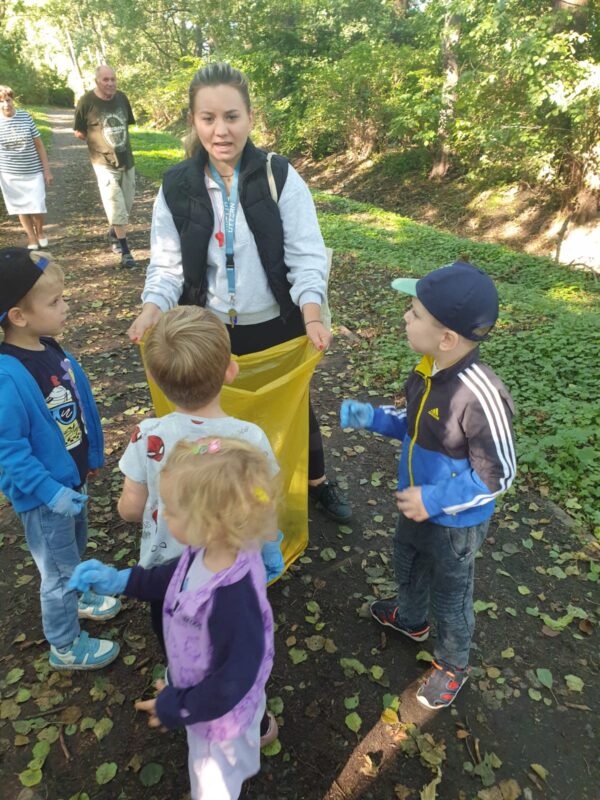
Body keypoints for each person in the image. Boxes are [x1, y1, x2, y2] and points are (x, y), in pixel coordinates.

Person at [127, 61, 351, 522]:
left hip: (276, 326)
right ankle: (228, 503)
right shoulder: (176, 187)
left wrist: (312, 314)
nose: (221, 130)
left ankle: (315, 483)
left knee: (293, 407)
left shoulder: (279, 176)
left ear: (250, 117)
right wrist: (152, 308)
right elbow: (167, 266)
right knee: (216, 419)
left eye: (231, 116)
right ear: (193, 121)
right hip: (210, 332)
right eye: (208, 118)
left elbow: (306, 256)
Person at [340, 261, 516, 709]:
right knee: (407, 558)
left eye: (414, 312)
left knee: (452, 593)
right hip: (417, 506)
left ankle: (453, 663)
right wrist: (375, 417)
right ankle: (411, 618)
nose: (405, 317)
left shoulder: (480, 395)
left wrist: (435, 499)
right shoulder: (428, 368)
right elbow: (416, 424)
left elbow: (498, 475)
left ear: (448, 337)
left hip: (454, 522)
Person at [69, 436, 277, 800]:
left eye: (172, 510)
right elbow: (174, 575)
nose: (163, 515)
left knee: (213, 785)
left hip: (219, 722)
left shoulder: (231, 598)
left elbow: (233, 680)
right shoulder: (212, 550)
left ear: (209, 523)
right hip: (201, 691)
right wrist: (120, 579)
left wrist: (179, 705)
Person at [117, 305, 284, 655]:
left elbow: (130, 509)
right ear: (231, 371)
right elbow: (265, 506)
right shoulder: (248, 438)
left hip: (165, 578)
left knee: (177, 643)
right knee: (230, 649)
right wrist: (270, 550)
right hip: (231, 577)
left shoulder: (147, 436)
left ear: (155, 377)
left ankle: (183, 684)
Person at [0, 247, 121, 670]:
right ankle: (65, 644)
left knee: (74, 547)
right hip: (47, 495)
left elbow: (75, 405)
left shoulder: (49, 347)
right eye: (55, 302)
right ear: (18, 316)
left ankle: (82, 593)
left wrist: (88, 456)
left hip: (70, 480)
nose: (66, 307)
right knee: (56, 573)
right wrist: (50, 492)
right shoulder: (8, 376)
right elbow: (8, 451)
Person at [73, 65, 137, 268]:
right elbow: (79, 132)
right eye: (105, 80)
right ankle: (125, 251)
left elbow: (126, 125)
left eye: (113, 79)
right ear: (97, 81)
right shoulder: (86, 102)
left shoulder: (122, 98)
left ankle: (113, 231)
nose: (110, 83)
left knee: (126, 205)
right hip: (102, 163)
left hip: (126, 160)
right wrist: (98, 144)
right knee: (115, 204)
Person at [0, 86, 53, 249]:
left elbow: (39, 145)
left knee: (37, 205)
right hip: (9, 174)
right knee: (20, 207)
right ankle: (31, 237)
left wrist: (47, 170)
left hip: (33, 170)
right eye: (1, 102)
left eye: (7, 100)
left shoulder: (25, 117)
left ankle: (40, 232)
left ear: (12, 100)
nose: (5, 105)